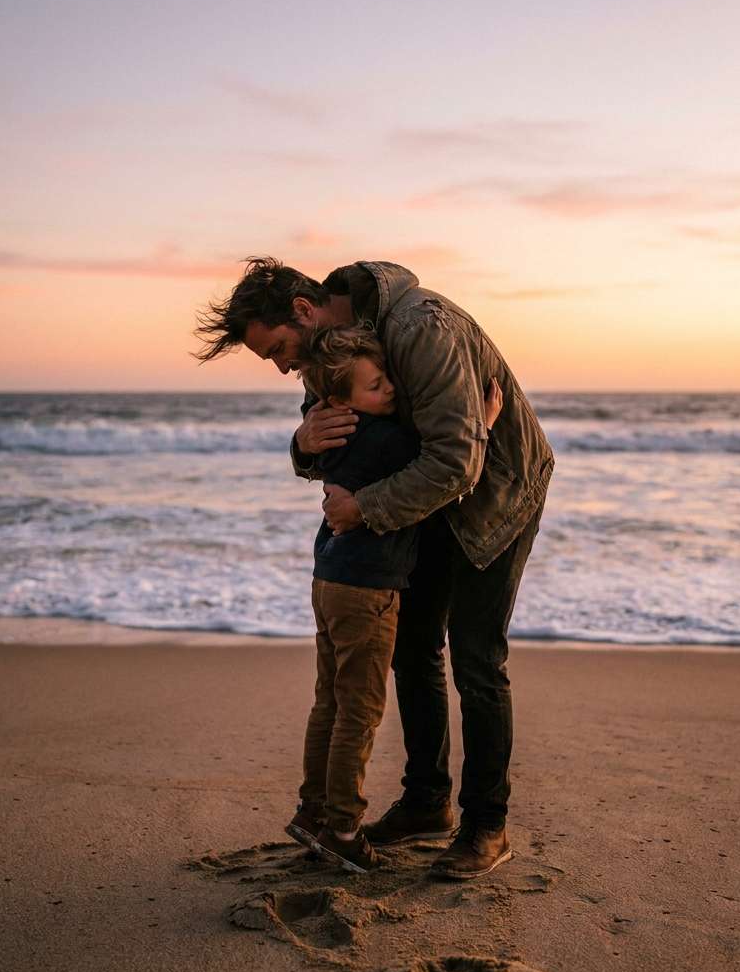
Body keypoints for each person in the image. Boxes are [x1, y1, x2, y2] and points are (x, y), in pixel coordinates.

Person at [195, 258, 554, 879]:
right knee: (413, 650)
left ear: (304, 311)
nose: (283, 368)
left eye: (278, 349)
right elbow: (344, 445)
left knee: (476, 658)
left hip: (493, 496)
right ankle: (425, 803)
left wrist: (363, 508)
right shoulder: (326, 357)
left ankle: (486, 826)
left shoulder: (422, 328)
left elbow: (456, 463)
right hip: (418, 509)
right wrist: (303, 446)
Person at [284, 322, 502, 873]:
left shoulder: (333, 438)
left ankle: (312, 812)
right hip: (368, 592)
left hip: (328, 580)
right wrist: (485, 423)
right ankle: (343, 827)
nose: (390, 392)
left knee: (329, 700)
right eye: (376, 385)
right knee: (359, 710)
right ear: (340, 400)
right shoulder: (384, 441)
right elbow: (442, 459)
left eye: (387, 380)